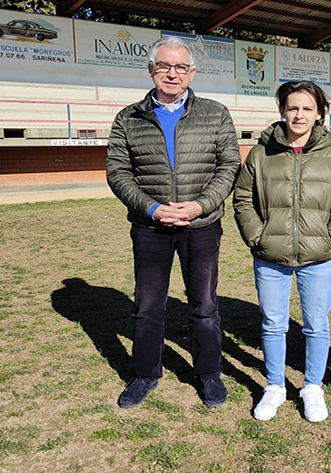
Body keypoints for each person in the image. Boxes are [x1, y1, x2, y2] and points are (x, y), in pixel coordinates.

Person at [106, 36, 241, 409]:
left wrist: (200, 205)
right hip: (151, 228)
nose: (172, 73)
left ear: (192, 72)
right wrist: (151, 208)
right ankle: (146, 374)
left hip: (202, 226)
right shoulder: (128, 118)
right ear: (151, 70)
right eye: (163, 65)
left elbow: (229, 165)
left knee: (205, 304)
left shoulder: (215, 113)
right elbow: (118, 171)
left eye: (180, 66)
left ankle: (208, 373)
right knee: (148, 306)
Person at [233, 81, 331, 422]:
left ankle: (313, 387)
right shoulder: (261, 152)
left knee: (316, 325)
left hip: (319, 257)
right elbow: (243, 198)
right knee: (273, 324)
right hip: (270, 255)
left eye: (307, 108)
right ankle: (274, 386)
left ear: (319, 113)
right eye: (292, 107)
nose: (299, 114)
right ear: (282, 111)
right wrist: (256, 236)